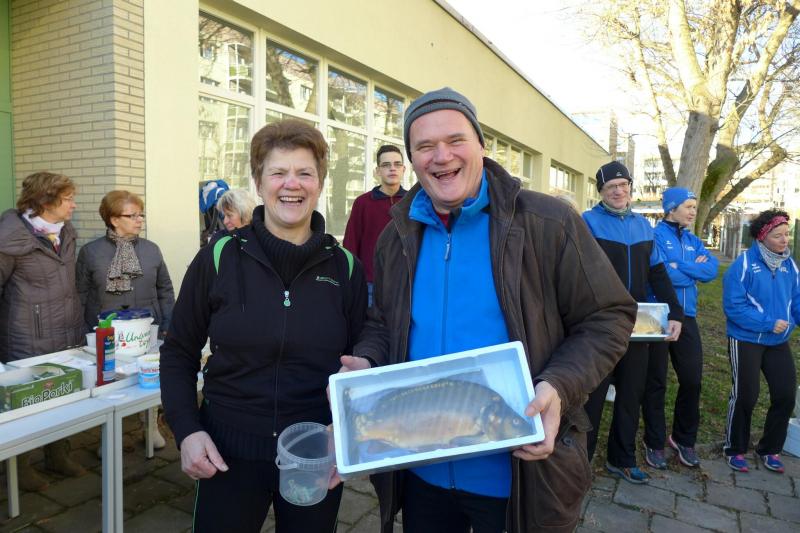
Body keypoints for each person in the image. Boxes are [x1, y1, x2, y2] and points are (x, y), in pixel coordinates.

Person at [338, 87, 636, 533]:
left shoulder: (547, 223)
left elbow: (608, 316)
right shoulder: (396, 236)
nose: (442, 156)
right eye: (425, 146)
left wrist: (559, 385)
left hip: (518, 474)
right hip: (420, 471)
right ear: (412, 159)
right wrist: (368, 360)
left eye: (455, 140)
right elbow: (383, 322)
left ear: (481, 144)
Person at [160, 119, 367, 532]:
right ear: (258, 182)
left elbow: (363, 358)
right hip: (226, 452)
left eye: (305, 172)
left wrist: (348, 433)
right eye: (278, 172)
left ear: (319, 183)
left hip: (313, 453)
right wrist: (187, 430)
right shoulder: (219, 257)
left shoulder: (345, 268)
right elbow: (179, 350)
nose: (292, 184)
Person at [582, 161, 684, 484]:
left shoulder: (644, 226)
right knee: (591, 398)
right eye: (611, 186)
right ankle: (579, 464)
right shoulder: (587, 223)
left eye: (623, 185)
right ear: (600, 191)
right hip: (598, 326)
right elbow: (575, 271)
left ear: (630, 187)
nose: (618, 191)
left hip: (638, 326)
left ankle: (621, 458)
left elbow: (657, 273)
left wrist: (675, 313)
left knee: (630, 395)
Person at [0, 171, 85, 490]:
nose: (74, 205)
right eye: (68, 199)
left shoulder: (66, 231)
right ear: (45, 201)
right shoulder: (9, 239)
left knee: (63, 395)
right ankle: (18, 468)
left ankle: (57, 456)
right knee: (26, 404)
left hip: (66, 330)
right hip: (27, 336)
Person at [76, 190, 175, 449]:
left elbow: (165, 289)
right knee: (110, 384)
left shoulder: (151, 250)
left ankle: (150, 426)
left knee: (149, 378)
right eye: (132, 215)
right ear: (113, 219)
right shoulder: (90, 252)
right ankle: (109, 437)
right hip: (107, 330)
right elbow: (80, 294)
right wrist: (83, 331)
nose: (139, 220)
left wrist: (168, 323)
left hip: (147, 328)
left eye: (141, 215)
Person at [641, 188, 718, 469]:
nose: (693, 212)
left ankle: (683, 439)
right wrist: (690, 270)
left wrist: (680, 265)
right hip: (658, 317)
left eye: (694, 207)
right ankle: (653, 441)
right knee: (656, 382)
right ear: (671, 208)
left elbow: (711, 271)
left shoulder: (693, 240)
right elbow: (663, 274)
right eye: (688, 206)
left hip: (688, 317)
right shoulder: (654, 236)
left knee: (692, 380)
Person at [722, 209, 798, 474]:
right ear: (762, 236)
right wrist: (767, 323)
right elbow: (734, 307)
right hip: (746, 339)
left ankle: (769, 448)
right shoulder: (743, 265)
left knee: (785, 394)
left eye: (787, 234)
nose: (784, 240)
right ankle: (735, 448)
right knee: (746, 395)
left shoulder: (789, 265)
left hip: (778, 341)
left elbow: (796, 300)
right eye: (778, 235)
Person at [343, 145, 407, 305]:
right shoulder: (363, 203)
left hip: (406, 284)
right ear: (377, 171)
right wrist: (351, 280)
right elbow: (351, 243)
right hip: (371, 284)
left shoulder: (412, 203)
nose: (392, 168)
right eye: (386, 165)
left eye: (397, 164)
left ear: (404, 169)